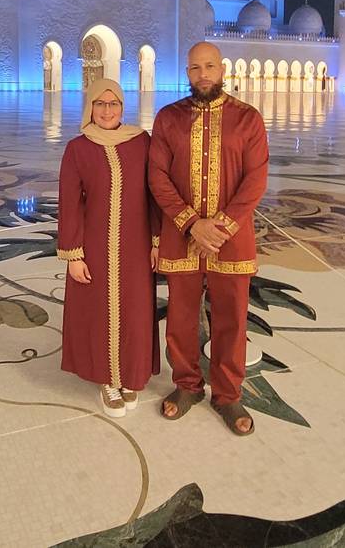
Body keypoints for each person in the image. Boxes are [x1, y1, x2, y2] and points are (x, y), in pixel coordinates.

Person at [148, 42, 268, 436]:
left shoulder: (247, 119)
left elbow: (256, 180)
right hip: (181, 235)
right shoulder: (168, 118)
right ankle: (186, 385)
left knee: (232, 317)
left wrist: (221, 226)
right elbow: (157, 177)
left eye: (210, 66)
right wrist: (190, 223)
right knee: (180, 316)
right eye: (195, 67)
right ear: (187, 72)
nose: (203, 74)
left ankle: (228, 394)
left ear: (222, 69)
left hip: (230, 239)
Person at [57, 78, 160, 417]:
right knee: (99, 309)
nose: (107, 110)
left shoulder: (140, 142)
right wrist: (73, 254)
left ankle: (130, 374)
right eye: (99, 104)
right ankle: (106, 378)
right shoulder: (79, 147)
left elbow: (154, 195)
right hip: (96, 244)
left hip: (136, 242)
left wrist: (157, 240)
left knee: (135, 308)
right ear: (90, 107)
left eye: (113, 103)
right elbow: (70, 203)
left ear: (122, 106)